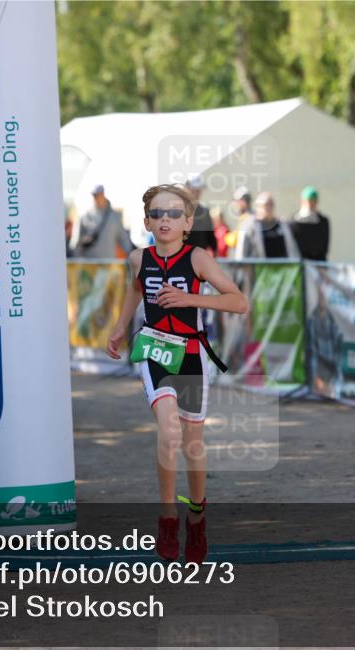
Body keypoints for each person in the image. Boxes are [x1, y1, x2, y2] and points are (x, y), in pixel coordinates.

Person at [105, 184, 247, 564]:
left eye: (173, 213)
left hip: (191, 354)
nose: (164, 219)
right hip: (154, 350)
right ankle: (167, 516)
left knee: (192, 443)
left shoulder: (198, 258)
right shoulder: (138, 258)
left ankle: (196, 515)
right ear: (147, 221)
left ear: (187, 222)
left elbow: (239, 302)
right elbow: (136, 289)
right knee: (169, 432)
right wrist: (119, 328)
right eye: (157, 213)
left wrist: (190, 298)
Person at [71, 184, 134, 259]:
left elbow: (124, 239)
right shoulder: (85, 217)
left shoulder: (114, 217)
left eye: (98, 195)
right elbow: (76, 242)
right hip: (90, 263)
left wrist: (131, 256)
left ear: (103, 194)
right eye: (94, 195)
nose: (96, 198)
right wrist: (76, 260)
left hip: (108, 262)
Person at [233, 192, 300, 259]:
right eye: (265, 205)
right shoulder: (249, 226)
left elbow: (292, 249)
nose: (268, 208)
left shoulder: (282, 225)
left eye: (270, 204)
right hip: (258, 265)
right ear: (257, 207)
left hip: (282, 265)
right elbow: (241, 253)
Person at [289, 186, 330, 261]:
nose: (311, 205)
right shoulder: (293, 222)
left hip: (318, 262)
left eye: (314, 201)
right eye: (309, 201)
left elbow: (324, 247)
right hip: (300, 262)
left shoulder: (323, 221)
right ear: (302, 202)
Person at [185, 177, 217, 255]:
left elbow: (210, 235)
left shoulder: (205, 211)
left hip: (200, 257)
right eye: (194, 190)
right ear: (187, 189)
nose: (197, 193)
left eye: (199, 190)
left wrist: (215, 250)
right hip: (181, 257)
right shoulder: (177, 210)